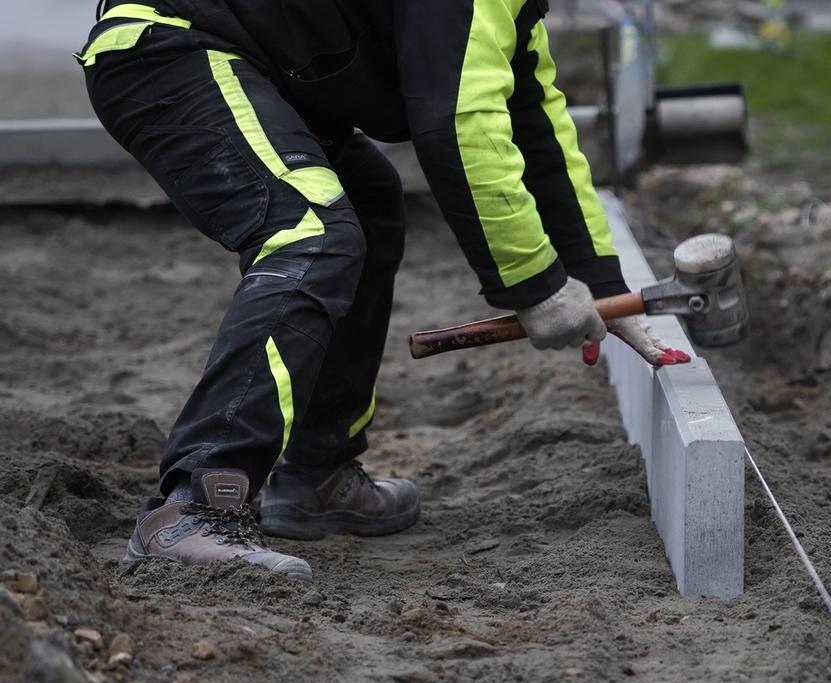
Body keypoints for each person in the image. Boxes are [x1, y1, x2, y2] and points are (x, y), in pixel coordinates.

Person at [78, 0, 689, 583]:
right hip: (172, 44)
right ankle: (197, 503)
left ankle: (316, 474)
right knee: (310, 232)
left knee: (368, 207)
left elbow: (533, 122)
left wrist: (606, 287)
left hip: (257, 63)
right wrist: (535, 287)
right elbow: (456, 121)